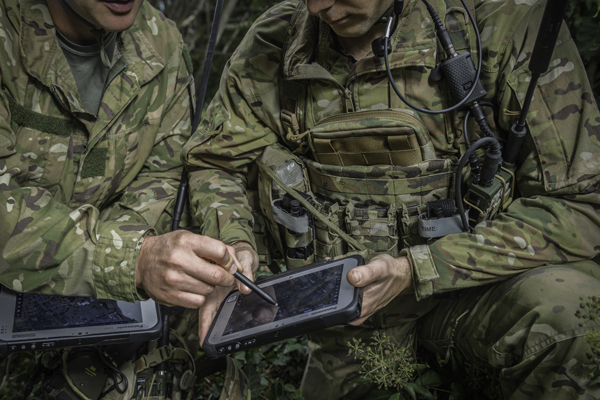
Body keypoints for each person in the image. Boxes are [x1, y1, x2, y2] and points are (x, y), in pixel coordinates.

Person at [182, 0, 600, 398]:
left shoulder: (503, 22)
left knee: (570, 315)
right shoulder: (276, 40)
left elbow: (580, 205)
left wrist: (419, 268)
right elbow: (217, 163)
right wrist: (234, 243)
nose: (317, 7)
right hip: (348, 325)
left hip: (477, 298)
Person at [0, 0, 255, 398]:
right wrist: (131, 260)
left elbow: (163, 174)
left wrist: (142, 256)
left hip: (97, 308)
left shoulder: (160, 41)